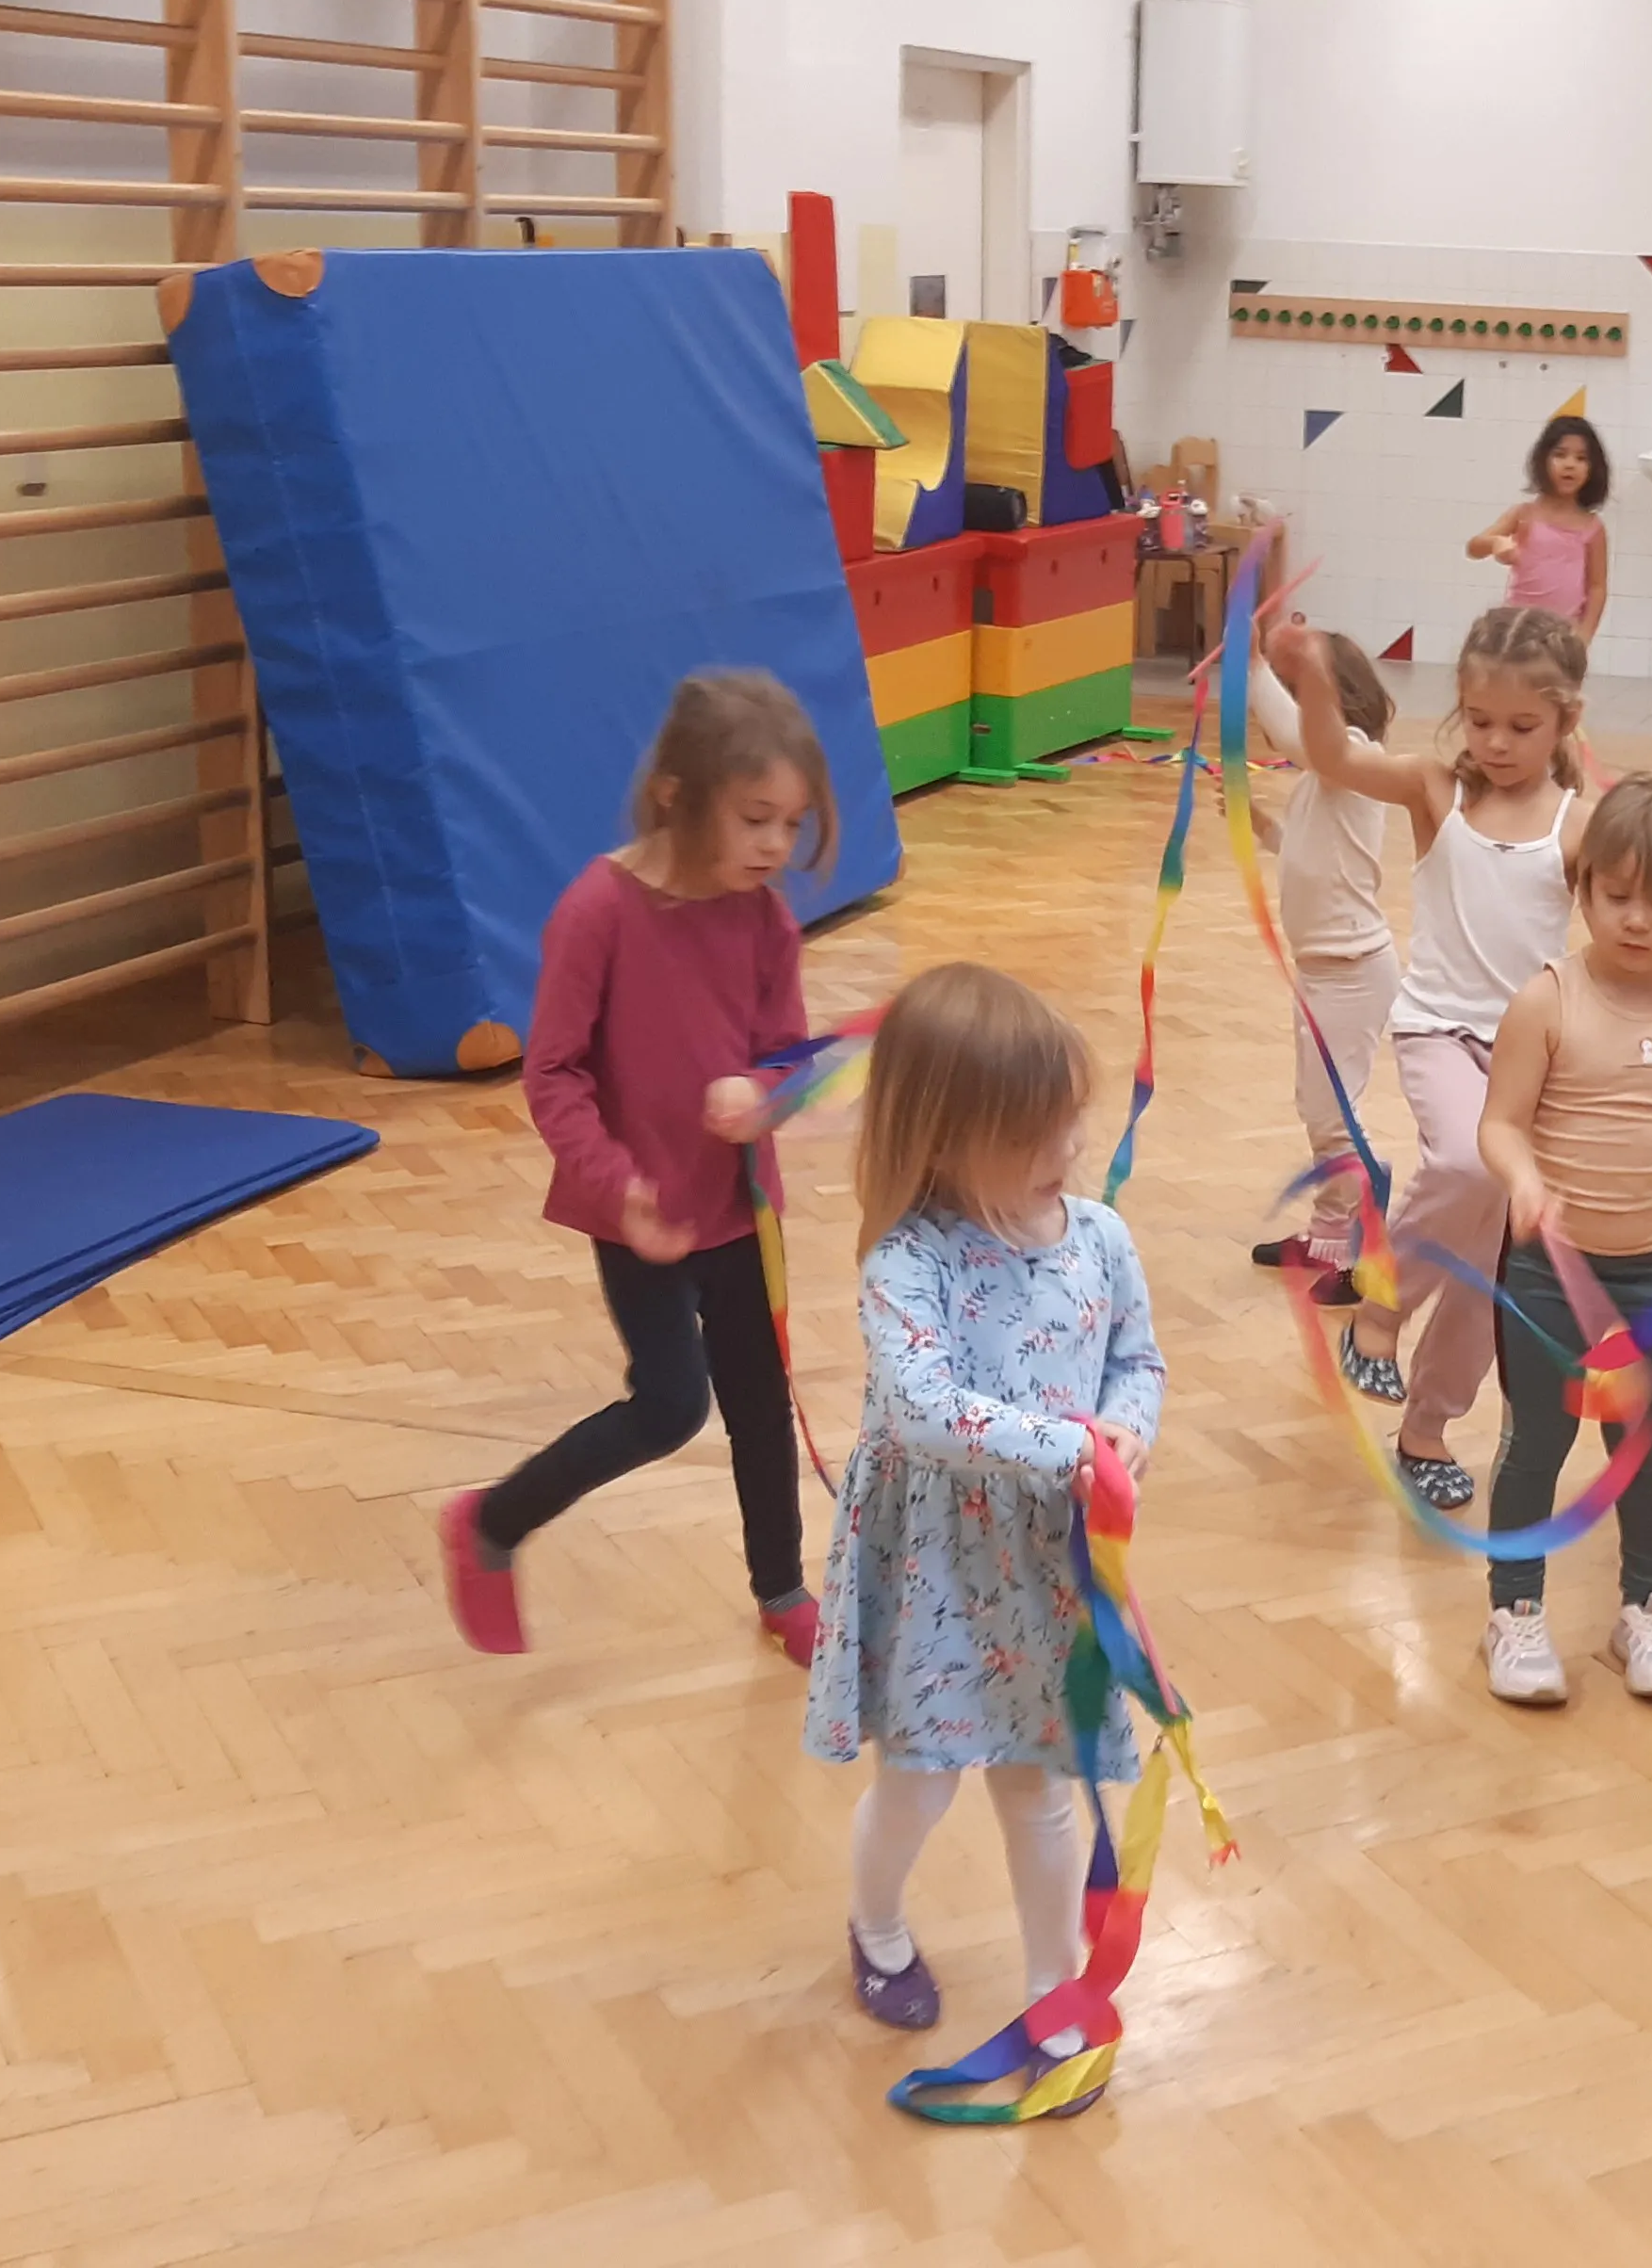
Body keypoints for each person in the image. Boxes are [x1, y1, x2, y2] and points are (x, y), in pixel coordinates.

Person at [442, 671, 838, 1663]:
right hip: (642, 1219)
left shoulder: (765, 921)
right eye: (757, 820)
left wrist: (767, 1093)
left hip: (741, 1213)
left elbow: (789, 1060)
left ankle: (782, 1588)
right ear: (676, 793)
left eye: (791, 826)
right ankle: (492, 1522)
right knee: (669, 1405)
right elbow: (554, 1073)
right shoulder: (599, 910)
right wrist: (618, 1184)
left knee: (761, 1406)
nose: (775, 848)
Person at [802, 963, 1167, 2034]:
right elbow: (922, 1411)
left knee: (1039, 1785)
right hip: (935, 1568)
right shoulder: (907, 1263)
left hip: (1047, 1565)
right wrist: (1072, 1446)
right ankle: (874, 1925)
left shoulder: (1100, 1237)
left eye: (1071, 1122)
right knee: (920, 1781)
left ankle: (1055, 1990)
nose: (1067, 1150)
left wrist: (1131, 1430)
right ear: (949, 1139)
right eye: (1037, 1132)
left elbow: (1136, 1360)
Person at [1274, 604, 1591, 1509]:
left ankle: (1427, 1429)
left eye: (1522, 727)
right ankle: (1379, 1306)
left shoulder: (1575, 822)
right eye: (1480, 721)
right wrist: (1319, 680)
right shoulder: (1432, 789)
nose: (1495, 742)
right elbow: (1333, 758)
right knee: (1464, 1163)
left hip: (1530, 1056)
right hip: (1439, 1030)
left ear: (1565, 721)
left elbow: (1628, 901)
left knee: (1494, 1256)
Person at [1471, 774, 1652, 1705]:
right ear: (1584, 886)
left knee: (1649, 1446)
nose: (1635, 918)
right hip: (1547, 1277)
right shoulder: (1546, 1001)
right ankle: (1513, 1614)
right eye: (1614, 894)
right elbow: (1501, 1123)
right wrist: (1523, 1179)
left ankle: (1647, 1605)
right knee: (1535, 1444)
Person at [1241, 623, 1399, 1305]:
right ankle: (1328, 1237)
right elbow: (1313, 858)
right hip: (1324, 972)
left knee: (1332, 1116)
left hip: (1353, 972)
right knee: (1318, 1111)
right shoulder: (1323, 781)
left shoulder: (1355, 760)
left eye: (1307, 688)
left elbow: (1289, 730)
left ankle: (1365, 1249)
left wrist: (1255, 666)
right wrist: (1260, 827)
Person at [1469, 414, 1611, 644]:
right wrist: (1496, 544)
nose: (1570, 464)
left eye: (1581, 458)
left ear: (1592, 469)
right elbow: (1474, 548)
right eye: (1560, 455)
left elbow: (1597, 588)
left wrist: (1585, 637)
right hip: (1517, 630)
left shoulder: (1592, 528)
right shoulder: (1524, 515)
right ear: (1542, 460)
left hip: (1563, 636)